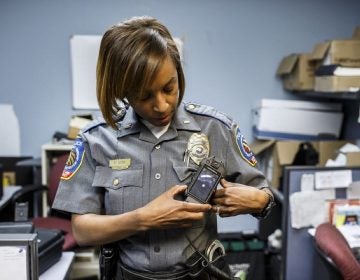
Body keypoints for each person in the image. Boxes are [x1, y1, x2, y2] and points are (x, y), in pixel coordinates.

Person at [52, 16, 275, 280]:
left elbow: (265, 197)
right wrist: (143, 218)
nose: (161, 105)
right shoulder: (96, 140)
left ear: (178, 74)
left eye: (169, 88)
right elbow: (82, 232)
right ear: (123, 91)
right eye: (144, 96)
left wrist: (259, 200)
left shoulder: (217, 129)